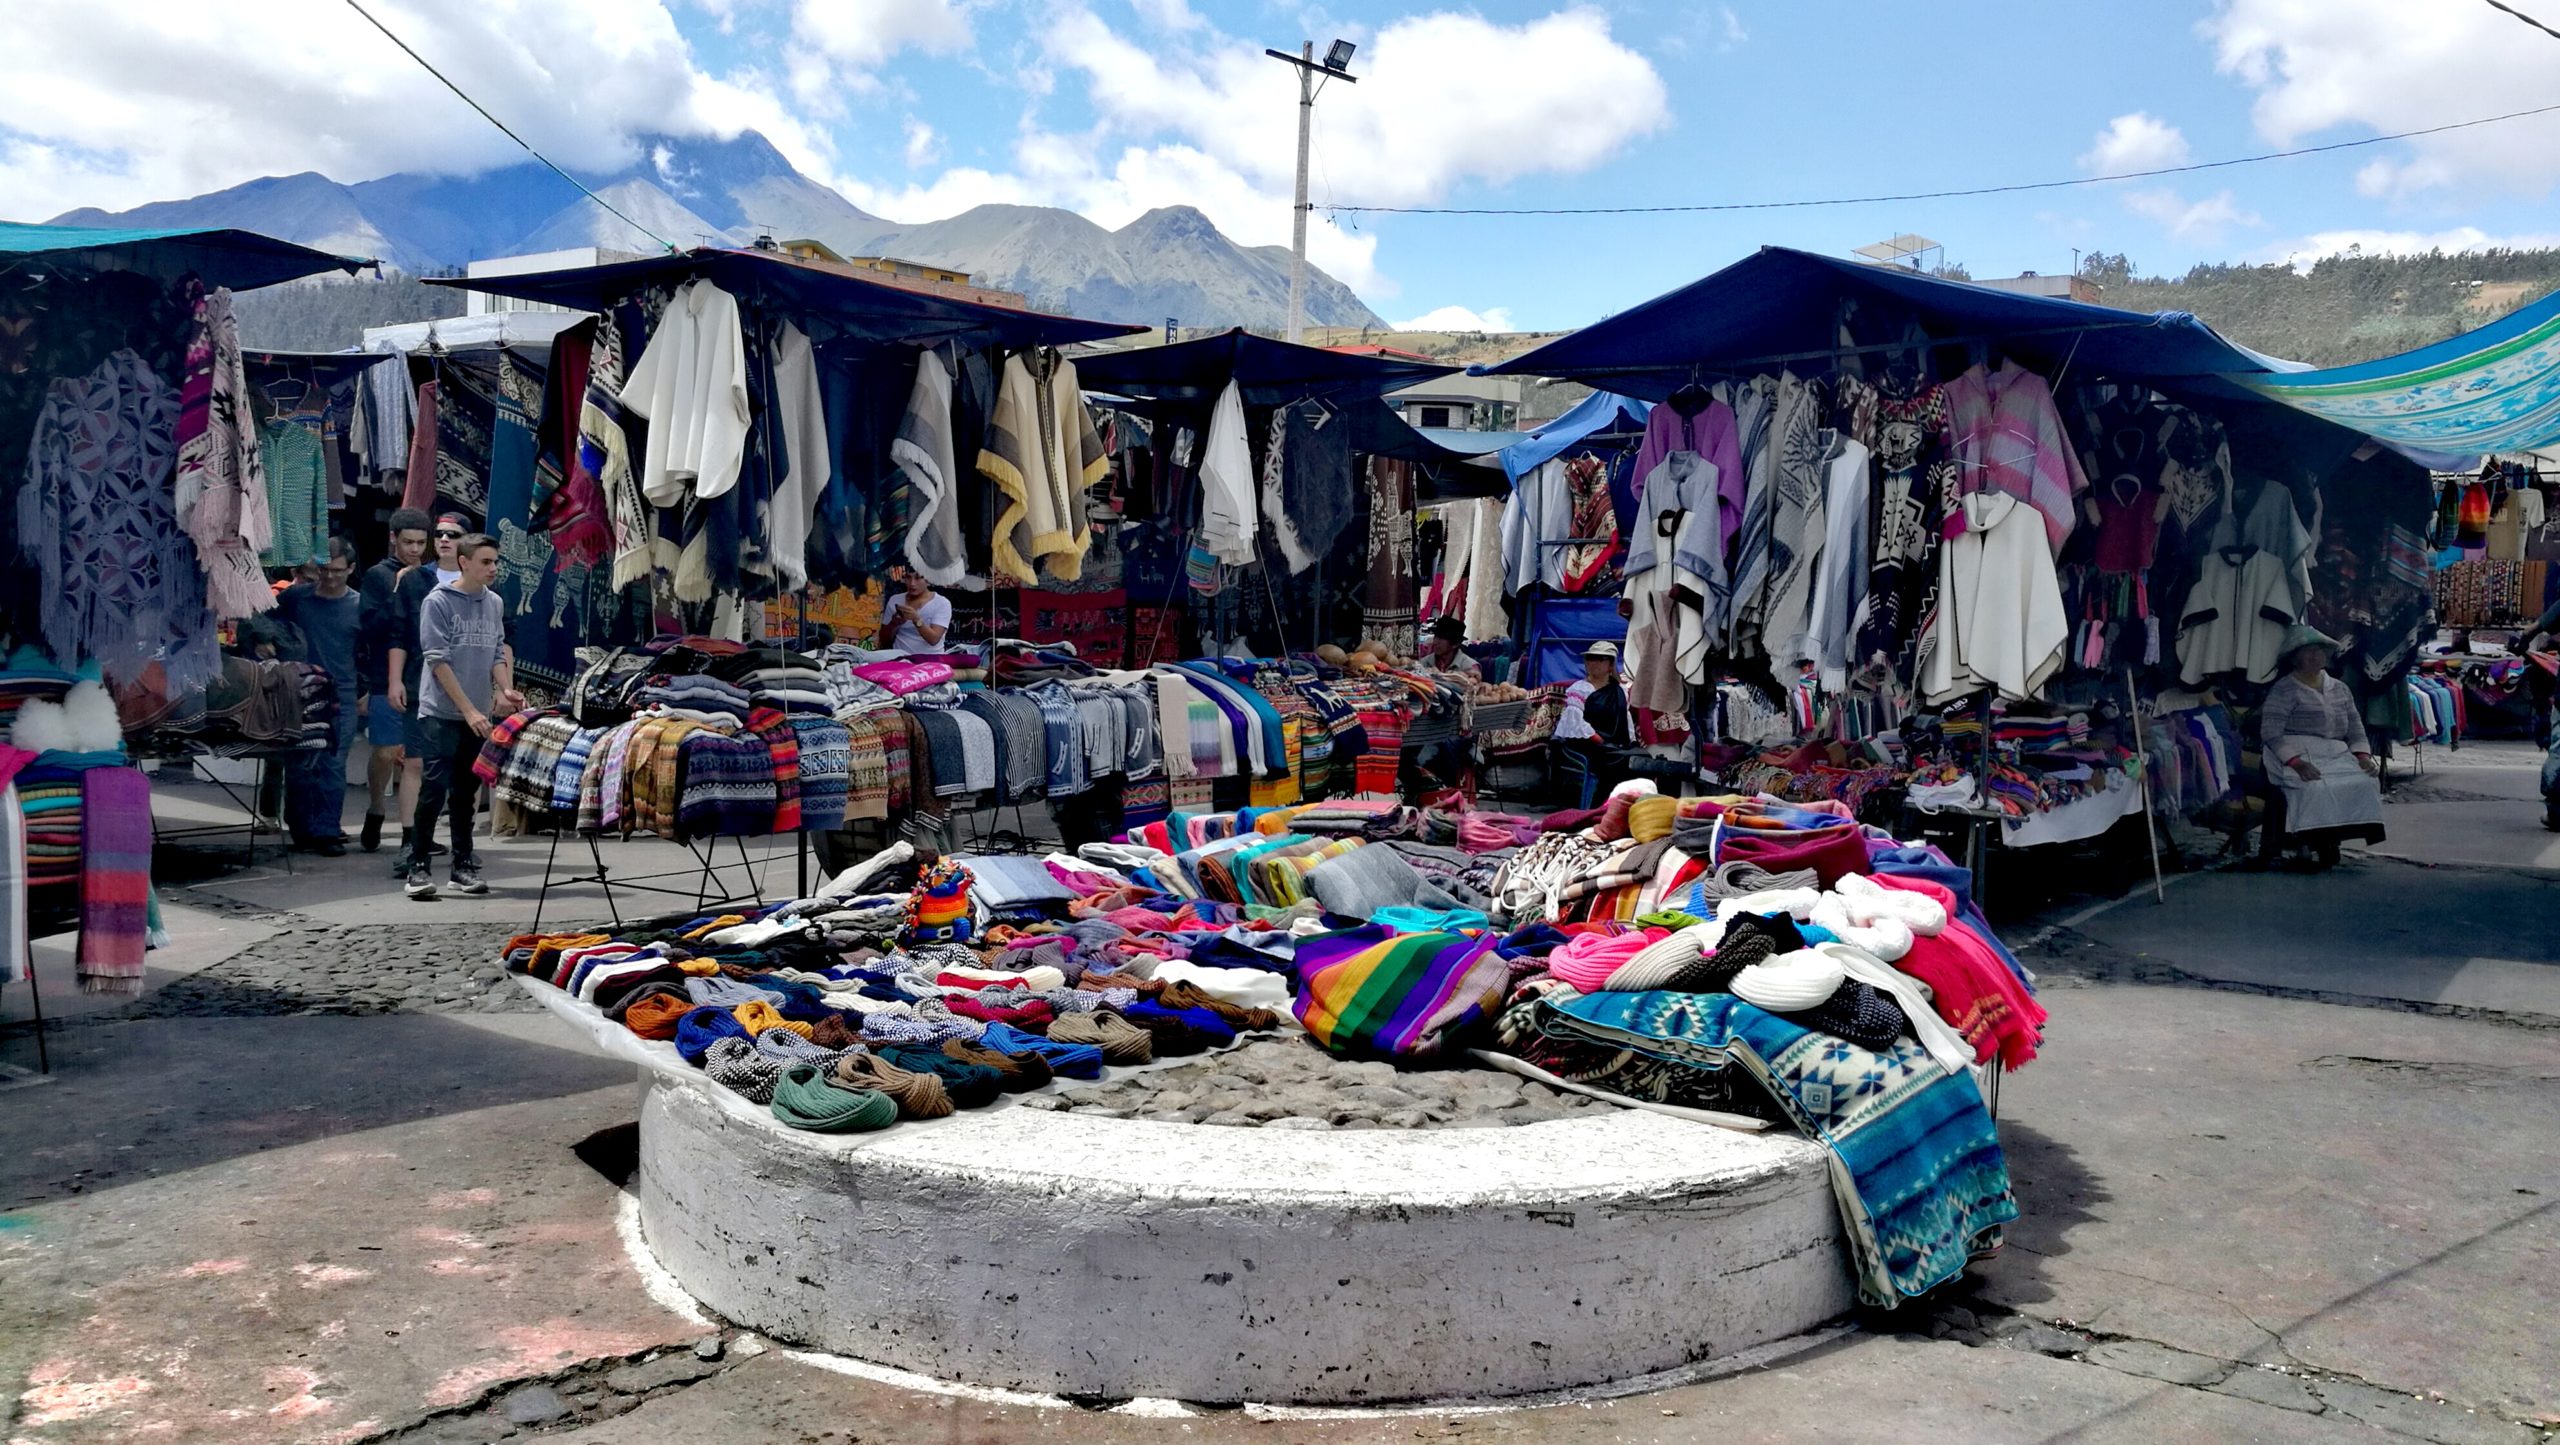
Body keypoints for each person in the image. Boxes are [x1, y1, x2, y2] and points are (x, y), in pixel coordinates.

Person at [403, 534, 520, 900]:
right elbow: (437, 660)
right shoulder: (437, 602)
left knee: (466, 791)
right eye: (485, 562)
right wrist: (468, 709)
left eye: (495, 562)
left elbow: (496, 654)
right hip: (441, 711)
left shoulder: (494, 603)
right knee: (434, 786)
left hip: (477, 715)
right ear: (464, 562)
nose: (493, 568)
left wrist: (504, 690)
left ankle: (462, 865)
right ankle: (418, 864)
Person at [2248, 623, 2384, 871]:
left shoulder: (2339, 688)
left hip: (2335, 754)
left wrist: (2363, 757)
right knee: (2313, 787)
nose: (2314, 656)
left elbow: (2355, 727)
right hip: (2291, 754)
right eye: (2307, 651)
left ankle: (2329, 841)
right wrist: (2296, 763)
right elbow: (2270, 732)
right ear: (2295, 657)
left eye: (2319, 651)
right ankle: (2303, 845)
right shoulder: (2284, 689)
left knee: (2365, 781)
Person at [385, 515, 466, 874]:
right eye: (440, 534)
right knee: (415, 763)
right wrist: (394, 680)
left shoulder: (479, 582)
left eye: (454, 534)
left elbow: (501, 639)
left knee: (462, 769)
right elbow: (398, 633)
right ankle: (408, 841)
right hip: (422, 682)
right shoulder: (415, 580)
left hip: (468, 685)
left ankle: (461, 846)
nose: (445, 540)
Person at [277, 537, 363, 855]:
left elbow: (369, 652)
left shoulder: (358, 606)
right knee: (299, 766)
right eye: (323, 569)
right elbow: (264, 621)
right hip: (298, 692)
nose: (329, 576)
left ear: (351, 569)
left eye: (337, 571)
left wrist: (365, 691)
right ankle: (302, 829)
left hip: (341, 694)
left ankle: (326, 831)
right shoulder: (295, 598)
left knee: (332, 765)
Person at [356, 507, 432, 852]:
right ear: (393, 540)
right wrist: (397, 593)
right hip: (382, 675)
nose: (414, 550)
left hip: (422, 677)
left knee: (415, 758)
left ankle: (410, 834)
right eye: (408, 542)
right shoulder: (377, 576)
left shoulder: (432, 576)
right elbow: (369, 627)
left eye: (420, 542)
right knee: (386, 751)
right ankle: (375, 807)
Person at [1553, 641, 1634, 801]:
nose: (1593, 663)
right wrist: (1600, 740)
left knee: (1638, 757)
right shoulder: (1580, 689)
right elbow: (1575, 722)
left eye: (1599, 659)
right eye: (1590, 658)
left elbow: (1626, 719)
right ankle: (1601, 801)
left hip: (1613, 743)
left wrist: (1630, 742)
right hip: (1586, 743)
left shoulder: (1619, 691)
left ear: (1610, 664)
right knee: (1615, 759)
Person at [878, 567, 951, 653]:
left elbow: (933, 640)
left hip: (930, 660)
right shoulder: (895, 600)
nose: (912, 583)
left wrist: (916, 619)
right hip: (900, 658)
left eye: (918, 578)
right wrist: (893, 623)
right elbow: (883, 640)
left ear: (928, 580)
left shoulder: (941, 603)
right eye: (908, 577)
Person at [1419, 616, 1481, 682]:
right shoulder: (1424, 663)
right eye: (1435, 637)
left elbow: (1473, 686)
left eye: (1441, 638)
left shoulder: (1469, 666)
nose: (1435, 642)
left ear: (1455, 644)